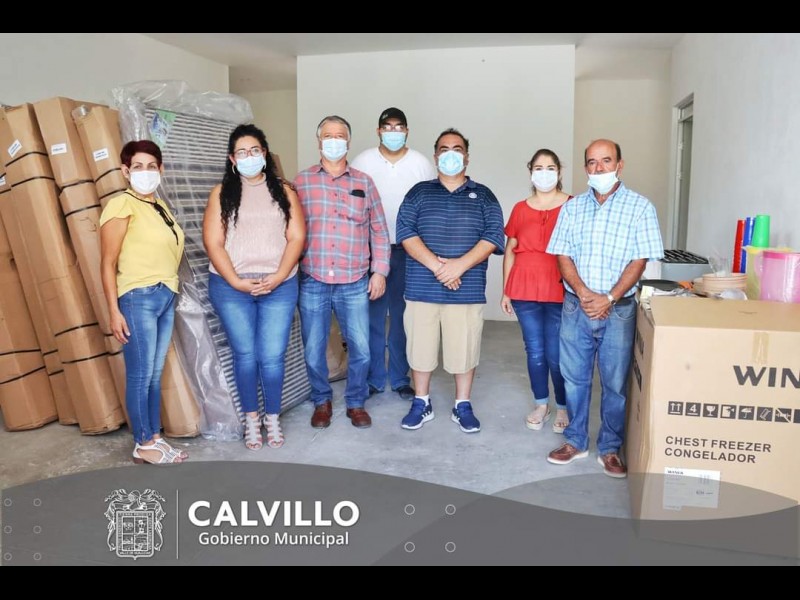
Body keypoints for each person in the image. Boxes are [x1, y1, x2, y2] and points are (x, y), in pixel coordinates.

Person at [546, 139, 664, 478]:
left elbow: (639, 260)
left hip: (619, 310)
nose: (599, 169)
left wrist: (609, 298)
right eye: (592, 162)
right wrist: (585, 294)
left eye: (606, 161)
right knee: (574, 378)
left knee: (614, 383)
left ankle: (610, 448)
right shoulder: (572, 208)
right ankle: (575, 441)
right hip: (577, 307)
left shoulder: (640, 207)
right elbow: (562, 254)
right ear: (585, 167)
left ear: (619, 165)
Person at [203, 124, 305, 451]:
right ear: (233, 159)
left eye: (255, 151)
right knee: (245, 355)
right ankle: (251, 419)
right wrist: (236, 281)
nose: (249, 157)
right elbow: (213, 242)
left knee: (272, 356)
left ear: (265, 154)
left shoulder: (285, 191)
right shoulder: (221, 193)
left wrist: (279, 276)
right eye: (242, 152)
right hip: (231, 287)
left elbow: (296, 237)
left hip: (280, 285)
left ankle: (271, 417)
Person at [397, 129, 505, 434]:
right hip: (422, 288)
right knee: (420, 349)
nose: (451, 154)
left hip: (466, 289)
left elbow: (494, 235)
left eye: (457, 149)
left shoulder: (484, 195)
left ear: (467, 157)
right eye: (444, 149)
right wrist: (439, 267)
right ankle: (421, 402)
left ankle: (462, 405)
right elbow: (405, 232)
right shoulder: (418, 192)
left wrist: (459, 266)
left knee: (464, 349)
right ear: (435, 156)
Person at [294, 116, 390, 430]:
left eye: (339, 136)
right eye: (328, 135)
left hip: (355, 280)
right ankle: (321, 400)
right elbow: (290, 230)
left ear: (348, 142)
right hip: (314, 279)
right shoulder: (302, 182)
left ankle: (355, 402)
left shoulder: (364, 182)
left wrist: (379, 272)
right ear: (318, 141)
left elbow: (379, 230)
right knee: (313, 349)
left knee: (361, 348)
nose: (333, 141)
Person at [100, 140, 186, 465]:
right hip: (138, 297)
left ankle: (154, 437)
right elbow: (107, 263)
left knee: (154, 373)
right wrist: (113, 311)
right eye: (138, 167)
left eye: (151, 166)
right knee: (140, 374)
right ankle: (142, 444)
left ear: (160, 170)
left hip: (166, 295)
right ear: (125, 171)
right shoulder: (121, 205)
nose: (145, 172)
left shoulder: (159, 206)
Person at [352, 108, 437, 402]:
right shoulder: (363, 161)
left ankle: (400, 378)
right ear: (378, 131)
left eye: (398, 127)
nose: (393, 132)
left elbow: (429, 205)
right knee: (373, 317)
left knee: (403, 318)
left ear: (407, 131)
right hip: (370, 250)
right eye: (387, 127)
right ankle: (375, 378)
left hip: (408, 249)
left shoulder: (421, 164)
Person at [501, 149, 570, 434]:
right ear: (531, 171)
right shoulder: (520, 208)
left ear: (559, 171)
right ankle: (541, 404)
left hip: (560, 285)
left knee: (556, 353)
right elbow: (510, 250)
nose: (545, 173)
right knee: (535, 351)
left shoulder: (573, 205)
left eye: (550, 167)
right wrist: (506, 290)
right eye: (539, 168)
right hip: (524, 286)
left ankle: (563, 406)